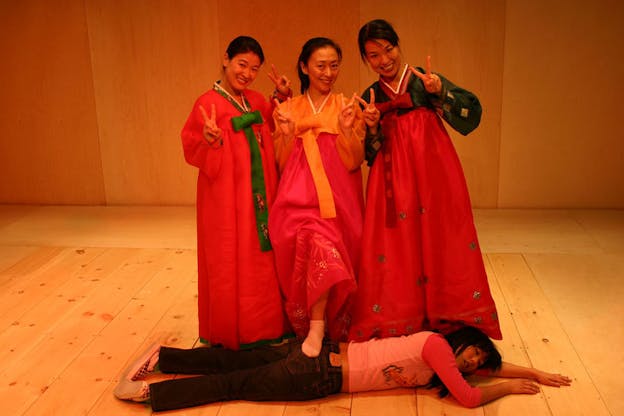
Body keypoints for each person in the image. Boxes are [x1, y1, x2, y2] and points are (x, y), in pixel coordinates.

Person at [348, 19, 502, 342]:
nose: (384, 59)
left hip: (434, 176)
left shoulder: (423, 81)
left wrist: (441, 91)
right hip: (392, 184)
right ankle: (402, 317)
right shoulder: (371, 95)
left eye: (388, 49)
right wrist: (373, 127)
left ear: (398, 45)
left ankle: (450, 314)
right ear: (366, 60)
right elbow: (369, 155)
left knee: (442, 238)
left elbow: (470, 116)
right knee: (397, 246)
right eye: (374, 55)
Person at [113, 326, 572, 412]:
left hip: (319, 351)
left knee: (235, 361)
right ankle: (154, 396)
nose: (472, 365)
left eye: (477, 364)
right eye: (472, 353)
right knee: (234, 383)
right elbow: (470, 396)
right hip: (318, 375)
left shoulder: (437, 350)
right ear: (461, 341)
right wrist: (510, 385)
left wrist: (534, 372)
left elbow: (481, 371)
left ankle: (164, 358)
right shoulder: (437, 349)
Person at [181, 36, 292, 350]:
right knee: (228, 257)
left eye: (253, 69)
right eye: (242, 64)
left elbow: (276, 120)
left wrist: (282, 94)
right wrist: (209, 139)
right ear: (226, 58)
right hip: (225, 198)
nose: (247, 73)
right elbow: (192, 147)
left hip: (260, 197)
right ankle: (232, 330)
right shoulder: (207, 103)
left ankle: (266, 326)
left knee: (261, 257)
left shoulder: (256, 101)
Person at [269, 37, 366, 357]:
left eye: (334, 65)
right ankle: (316, 325)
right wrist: (284, 135)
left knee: (327, 247)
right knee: (311, 244)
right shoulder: (286, 109)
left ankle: (321, 325)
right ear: (304, 67)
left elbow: (353, 161)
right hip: (296, 199)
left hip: (338, 202)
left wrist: (348, 130)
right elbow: (282, 165)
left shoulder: (347, 106)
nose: (328, 72)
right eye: (320, 65)